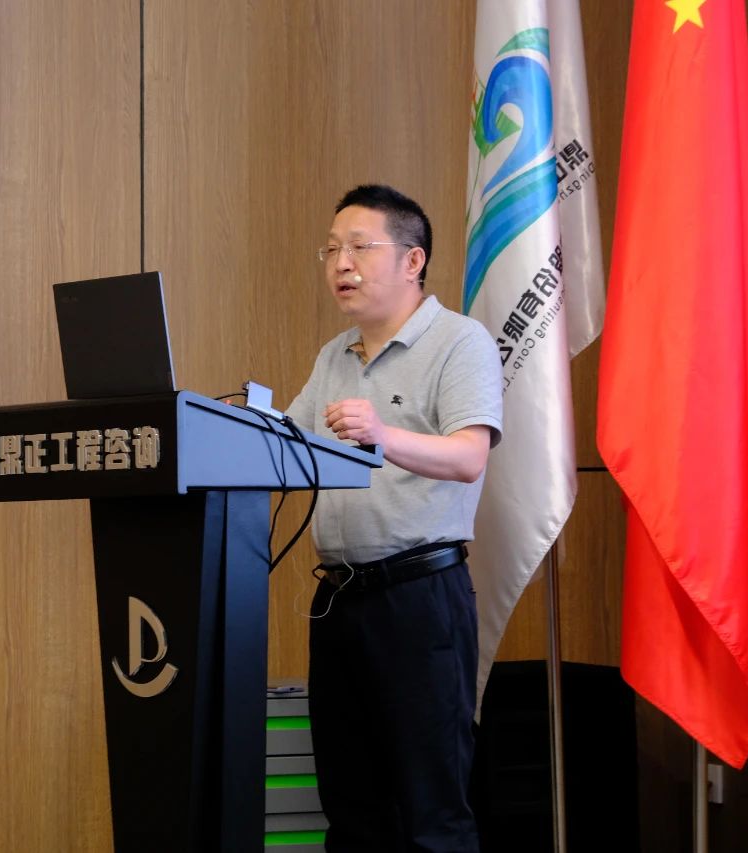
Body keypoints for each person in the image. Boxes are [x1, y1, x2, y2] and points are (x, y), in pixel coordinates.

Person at [284, 184, 503, 852]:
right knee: (352, 807)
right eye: (331, 250)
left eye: (359, 247)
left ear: (413, 260)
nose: (341, 264)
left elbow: (469, 457)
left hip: (419, 598)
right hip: (339, 600)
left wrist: (382, 435)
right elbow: (283, 449)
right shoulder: (335, 355)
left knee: (430, 810)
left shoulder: (459, 341)